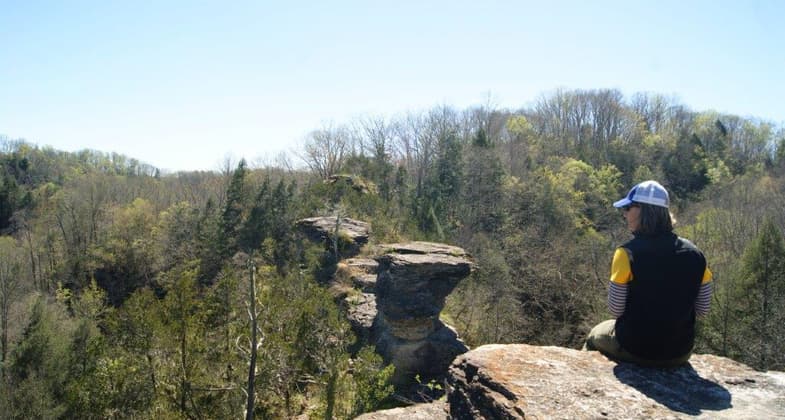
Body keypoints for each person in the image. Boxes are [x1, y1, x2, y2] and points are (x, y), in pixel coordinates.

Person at [583, 180, 713, 367]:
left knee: (595, 334)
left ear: (643, 211)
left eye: (628, 208)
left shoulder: (626, 253)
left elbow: (616, 309)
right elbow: (703, 310)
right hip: (680, 352)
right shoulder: (695, 254)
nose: (624, 213)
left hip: (635, 347)